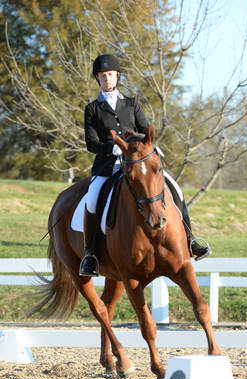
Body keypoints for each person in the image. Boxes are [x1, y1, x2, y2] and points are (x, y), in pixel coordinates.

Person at [79, 53, 211, 277]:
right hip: (107, 165)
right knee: (92, 198)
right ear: (98, 79)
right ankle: (90, 254)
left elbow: (145, 128)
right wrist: (110, 148)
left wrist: (142, 147)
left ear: (117, 76)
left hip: (138, 162)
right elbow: (91, 143)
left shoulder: (131, 103)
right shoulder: (92, 109)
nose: (107, 79)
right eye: (102, 76)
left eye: (110, 75)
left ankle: (190, 240)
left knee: (175, 188)